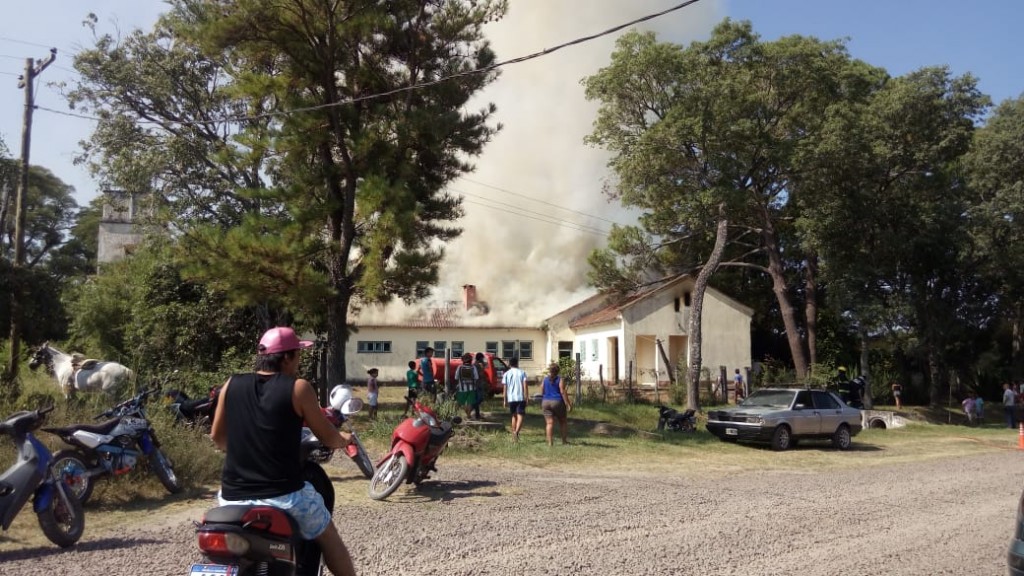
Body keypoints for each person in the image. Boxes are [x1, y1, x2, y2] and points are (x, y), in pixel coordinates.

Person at [210, 326, 357, 576]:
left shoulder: (231, 384)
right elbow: (326, 436)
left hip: (231, 495)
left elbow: (218, 437)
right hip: (284, 496)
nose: (299, 361)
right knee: (329, 535)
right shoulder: (298, 388)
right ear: (287, 357)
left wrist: (247, 450)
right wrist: (343, 439)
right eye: (298, 355)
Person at [541, 363, 572, 446]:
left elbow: (542, 390)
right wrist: (567, 403)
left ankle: (550, 442)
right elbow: (562, 391)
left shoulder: (545, 379)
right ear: (558, 371)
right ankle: (564, 441)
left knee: (549, 423)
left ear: (550, 371)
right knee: (563, 421)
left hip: (546, 402)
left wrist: (545, 396)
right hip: (557, 402)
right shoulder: (560, 379)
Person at [502, 356, 528, 442]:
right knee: (520, 416)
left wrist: (505, 400)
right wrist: (526, 396)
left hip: (511, 398)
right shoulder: (522, 372)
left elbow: (505, 388)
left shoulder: (506, 374)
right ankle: (516, 432)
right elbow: (525, 385)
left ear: (509, 364)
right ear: (517, 363)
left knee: (514, 416)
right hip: (520, 397)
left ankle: (514, 434)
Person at [455, 352, 477, 419]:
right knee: (470, 402)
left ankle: (467, 413)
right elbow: (476, 377)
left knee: (462, 402)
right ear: (471, 360)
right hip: (472, 387)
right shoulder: (473, 367)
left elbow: (456, 377)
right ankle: (468, 415)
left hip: (462, 388)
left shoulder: (460, 367)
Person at [472, 352, 488, 420]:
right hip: (477, 384)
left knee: (477, 399)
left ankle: (477, 415)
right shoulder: (477, 365)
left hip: (477, 384)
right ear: (480, 358)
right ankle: (471, 408)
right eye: (482, 358)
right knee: (479, 399)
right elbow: (480, 375)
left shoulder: (475, 364)